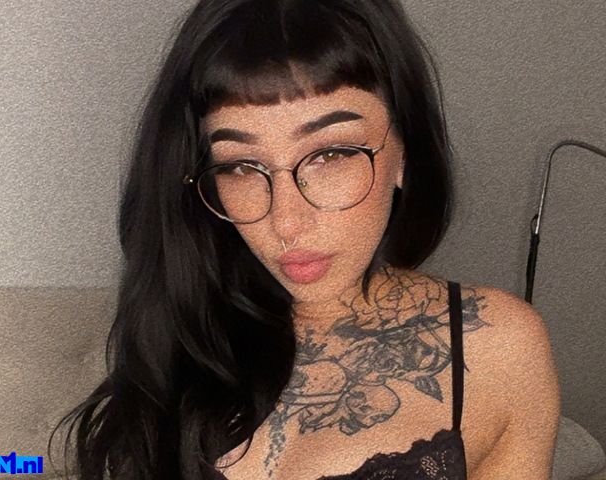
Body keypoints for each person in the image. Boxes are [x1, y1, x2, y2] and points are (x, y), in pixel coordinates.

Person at [50, 0, 561, 479]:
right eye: (240, 166)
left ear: (405, 150)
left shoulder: (497, 344)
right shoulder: (183, 336)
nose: (287, 224)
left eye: (331, 154)